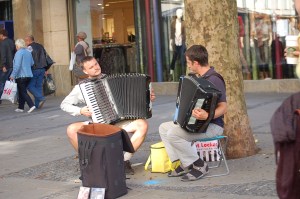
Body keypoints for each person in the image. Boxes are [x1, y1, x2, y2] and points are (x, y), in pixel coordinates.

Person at [60, 56, 156, 175]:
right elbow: (64, 104)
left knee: (142, 125)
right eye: (91, 67)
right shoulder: (81, 87)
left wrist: (148, 98)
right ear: (85, 71)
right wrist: (80, 111)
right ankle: (89, 162)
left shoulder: (110, 79)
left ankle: (124, 161)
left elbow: (134, 96)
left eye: (96, 64)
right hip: (98, 125)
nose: (96, 67)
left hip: (119, 123)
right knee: (71, 129)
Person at [159, 45, 227, 181]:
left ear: (196, 63)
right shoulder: (198, 78)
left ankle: (199, 165)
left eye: (188, 63)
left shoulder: (214, 79)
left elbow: (224, 107)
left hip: (213, 127)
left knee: (173, 134)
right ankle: (181, 165)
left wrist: (208, 116)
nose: (188, 66)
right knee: (163, 128)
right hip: (199, 125)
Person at [9, 39, 35, 113]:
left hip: (21, 75)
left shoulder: (18, 53)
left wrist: (12, 75)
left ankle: (31, 105)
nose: (15, 47)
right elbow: (32, 63)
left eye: (16, 45)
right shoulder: (28, 52)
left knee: (23, 92)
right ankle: (21, 107)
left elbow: (17, 66)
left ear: (18, 45)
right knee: (21, 91)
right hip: (29, 75)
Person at [25, 35, 47, 109]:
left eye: (26, 41)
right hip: (42, 68)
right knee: (38, 87)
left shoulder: (29, 48)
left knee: (30, 86)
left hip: (34, 69)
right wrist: (45, 69)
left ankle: (41, 98)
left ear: (29, 40)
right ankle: (37, 105)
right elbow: (45, 56)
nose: (25, 43)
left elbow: (27, 59)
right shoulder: (40, 46)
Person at [169, 8, 186, 81]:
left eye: (181, 13)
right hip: (175, 43)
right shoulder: (173, 23)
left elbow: (184, 33)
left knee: (183, 58)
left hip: (181, 42)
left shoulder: (184, 23)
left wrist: (185, 41)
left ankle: (183, 74)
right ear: (176, 14)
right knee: (174, 57)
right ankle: (171, 71)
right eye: (179, 13)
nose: (180, 15)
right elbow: (172, 33)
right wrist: (170, 43)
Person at [0, 29, 15, 104]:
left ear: (2, 35)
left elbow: (3, 55)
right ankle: (18, 99)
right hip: (12, 65)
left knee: (2, 83)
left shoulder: (2, 43)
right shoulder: (12, 41)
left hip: (5, 66)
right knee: (14, 82)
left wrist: (3, 65)